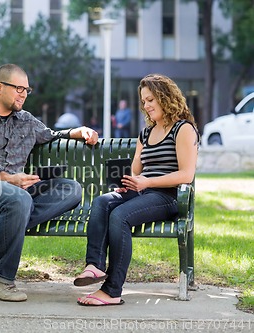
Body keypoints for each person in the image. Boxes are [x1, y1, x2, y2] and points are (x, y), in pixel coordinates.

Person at [0, 64, 98, 302]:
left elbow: (51, 135)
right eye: (18, 88)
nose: (23, 94)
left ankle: (0, 222)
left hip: (16, 193)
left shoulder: (26, 120)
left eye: (27, 89)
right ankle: (0, 275)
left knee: (70, 189)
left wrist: (77, 131)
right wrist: (9, 179)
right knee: (18, 198)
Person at [74, 74, 199, 306]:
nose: (146, 105)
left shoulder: (183, 129)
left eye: (151, 99)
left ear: (165, 97)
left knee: (120, 216)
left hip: (168, 197)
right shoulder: (146, 133)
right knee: (103, 202)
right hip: (142, 191)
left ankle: (112, 291)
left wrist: (147, 182)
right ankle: (95, 266)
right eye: (143, 101)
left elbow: (186, 175)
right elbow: (135, 171)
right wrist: (127, 182)